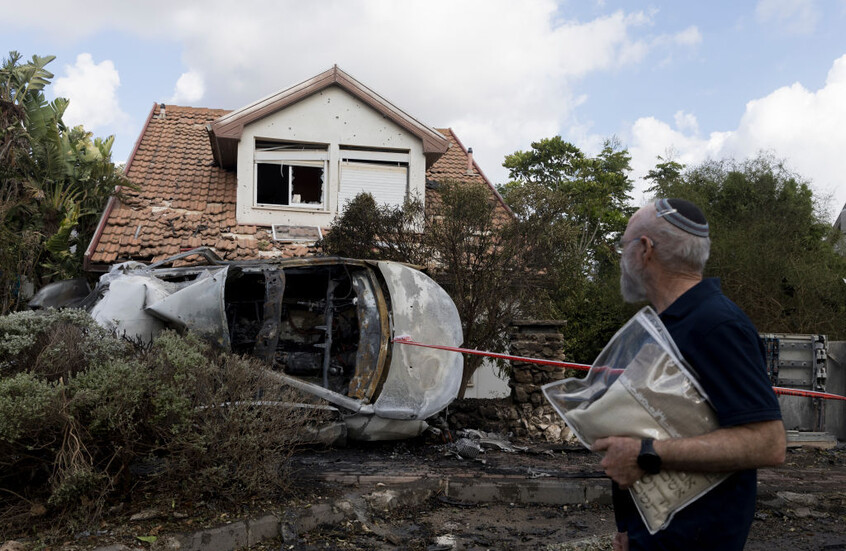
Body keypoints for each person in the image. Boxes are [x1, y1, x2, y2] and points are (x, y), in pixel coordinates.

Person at [593, 198, 786, 551]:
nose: (622, 259)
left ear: (645, 249)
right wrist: (628, 527)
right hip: (654, 536)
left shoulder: (717, 325)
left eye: (623, 246)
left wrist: (646, 453)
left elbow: (768, 442)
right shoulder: (664, 326)